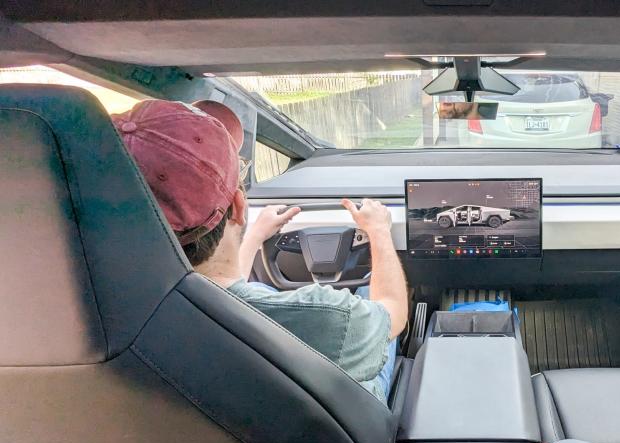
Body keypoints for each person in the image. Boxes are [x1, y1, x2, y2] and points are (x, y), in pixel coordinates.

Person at [112, 99, 408, 403]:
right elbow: (393, 313)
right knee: (368, 298)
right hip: (350, 429)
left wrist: (253, 236)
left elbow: (219, 289)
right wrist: (379, 231)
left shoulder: (99, 316)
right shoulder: (328, 317)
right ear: (239, 207)